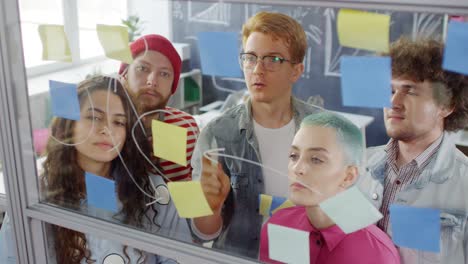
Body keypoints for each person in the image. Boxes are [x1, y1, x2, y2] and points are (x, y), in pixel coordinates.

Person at [191, 11, 322, 258]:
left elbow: (346, 218)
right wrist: (211, 207)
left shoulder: (322, 130)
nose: (258, 70)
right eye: (250, 58)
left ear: (296, 70)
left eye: (272, 59)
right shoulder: (218, 133)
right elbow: (201, 233)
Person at [41, 76, 191, 263]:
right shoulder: (38, 194)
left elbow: (180, 257)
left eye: (119, 122)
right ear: (69, 124)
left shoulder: (152, 189)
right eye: (94, 117)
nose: (107, 129)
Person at [358, 38, 468, 263]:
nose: (393, 101)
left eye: (410, 91)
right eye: (390, 90)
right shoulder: (356, 165)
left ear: (446, 105)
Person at [260, 111, 400, 264]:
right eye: (294, 156)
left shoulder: (375, 255)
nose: (298, 168)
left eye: (316, 159)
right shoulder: (280, 225)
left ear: (348, 176)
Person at [119, 34, 199, 182]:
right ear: (124, 76)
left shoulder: (184, 127)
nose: (152, 81)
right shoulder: (107, 129)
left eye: (164, 74)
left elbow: (184, 193)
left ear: (172, 87)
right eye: (142, 68)